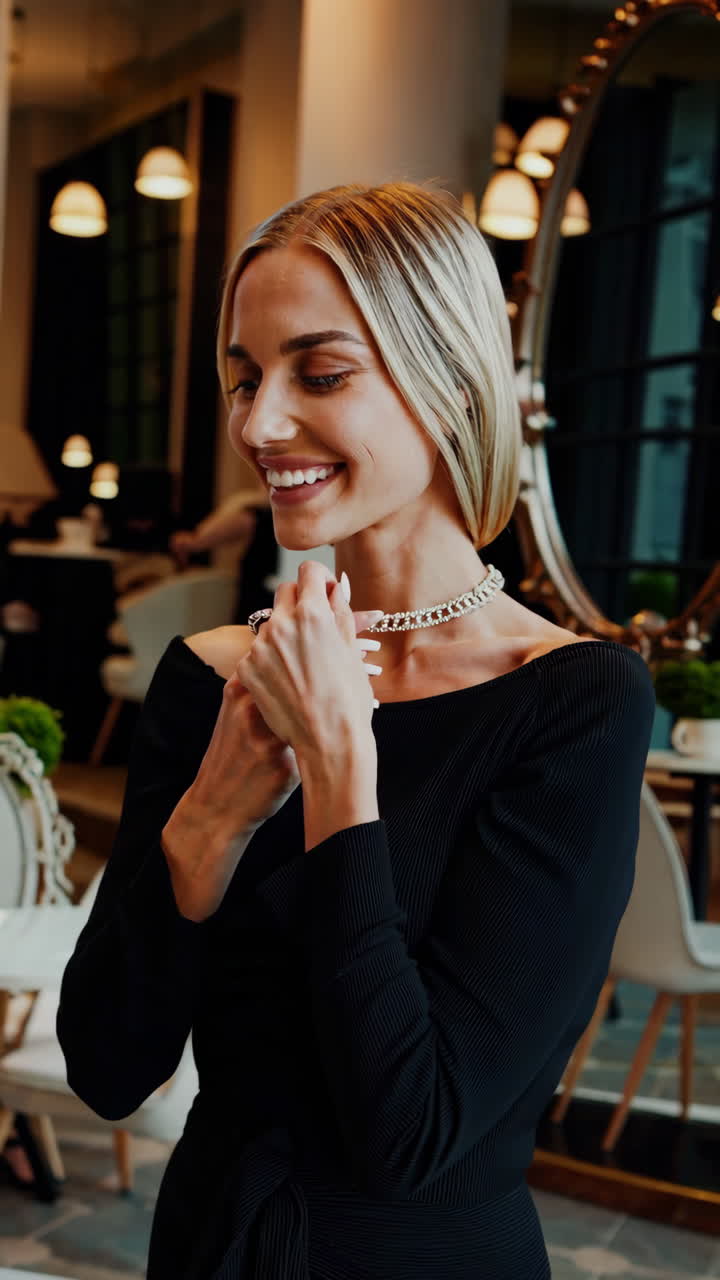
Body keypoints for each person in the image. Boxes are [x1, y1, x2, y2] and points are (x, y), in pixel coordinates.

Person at [56, 181, 655, 1280]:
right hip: (206, 1250)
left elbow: (409, 1133)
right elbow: (104, 1065)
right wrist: (211, 820)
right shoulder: (212, 681)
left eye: (320, 373)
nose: (259, 422)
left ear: (448, 380)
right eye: (244, 377)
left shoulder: (575, 703)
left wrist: (341, 766)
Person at [169, 488, 279, 624]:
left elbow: (198, 540)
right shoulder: (260, 514)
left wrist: (193, 542)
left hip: (262, 609)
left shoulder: (262, 515)